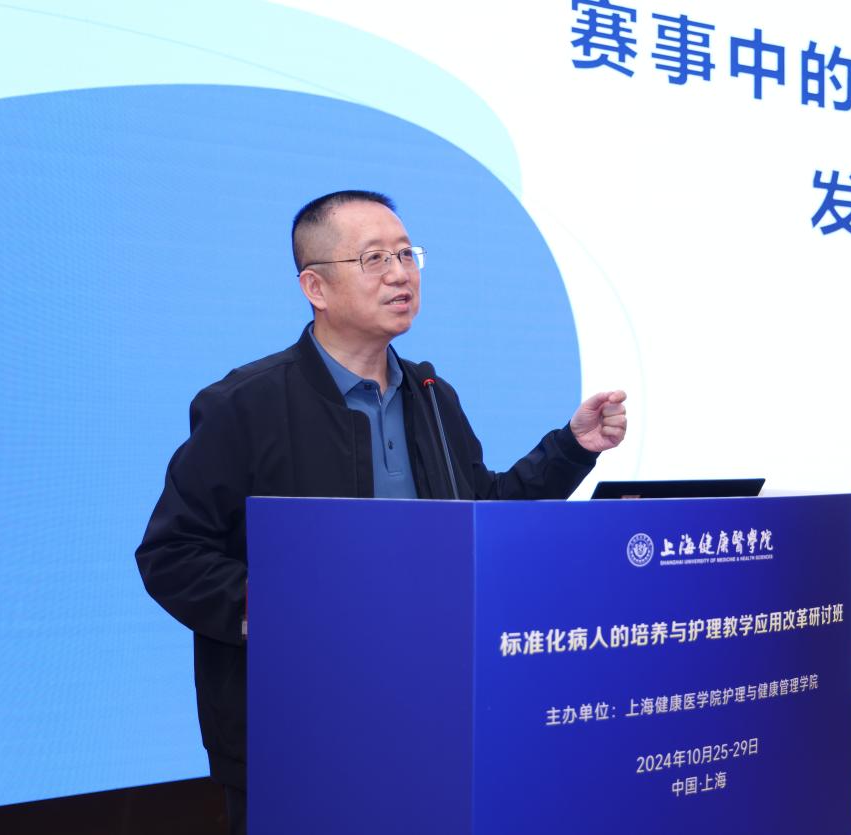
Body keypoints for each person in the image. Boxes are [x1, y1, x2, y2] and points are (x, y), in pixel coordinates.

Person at [136, 190, 627, 834]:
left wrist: (570, 448)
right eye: (374, 258)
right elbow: (172, 554)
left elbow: (482, 517)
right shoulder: (246, 405)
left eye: (406, 254)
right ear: (315, 286)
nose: (400, 274)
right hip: (297, 732)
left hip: (429, 715)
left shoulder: (431, 395)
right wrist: (288, 611)